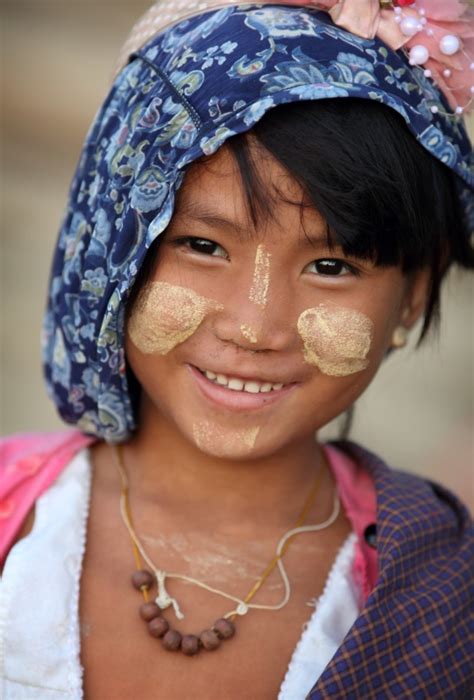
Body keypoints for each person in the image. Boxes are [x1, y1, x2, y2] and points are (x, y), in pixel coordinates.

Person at [1, 1, 473, 698]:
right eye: (201, 245)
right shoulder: (18, 520)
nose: (256, 327)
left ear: (412, 294)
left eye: (333, 266)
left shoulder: (440, 597)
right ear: (115, 250)